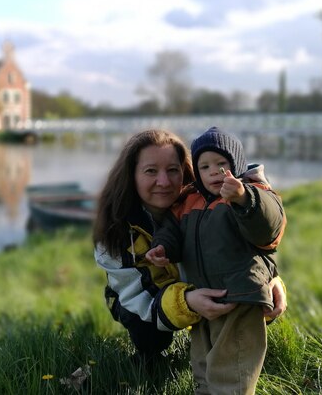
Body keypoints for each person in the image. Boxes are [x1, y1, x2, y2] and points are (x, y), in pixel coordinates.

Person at [92, 129, 287, 375]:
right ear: (131, 176)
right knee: (151, 337)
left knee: (247, 303)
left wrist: (271, 277)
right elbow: (137, 298)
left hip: (208, 279)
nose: (164, 182)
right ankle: (153, 351)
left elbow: (255, 235)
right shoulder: (115, 231)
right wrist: (186, 303)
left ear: (186, 170)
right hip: (145, 297)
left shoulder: (209, 196)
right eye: (150, 171)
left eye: (173, 170)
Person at [146, 126, 286, 394]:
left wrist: (244, 198)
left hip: (240, 295)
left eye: (222, 164)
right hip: (203, 297)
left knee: (232, 369)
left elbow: (268, 229)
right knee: (203, 365)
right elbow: (172, 231)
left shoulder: (253, 193)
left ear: (236, 165)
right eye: (205, 166)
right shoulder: (189, 201)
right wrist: (162, 247)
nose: (214, 172)